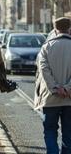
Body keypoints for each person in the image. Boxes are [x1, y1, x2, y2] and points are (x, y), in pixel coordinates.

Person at [34, 17, 71, 154]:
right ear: (69, 29)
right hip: (69, 99)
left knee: (50, 132)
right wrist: (67, 88)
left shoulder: (46, 47)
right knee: (69, 135)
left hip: (50, 98)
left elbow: (43, 69)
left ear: (55, 30)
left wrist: (55, 88)